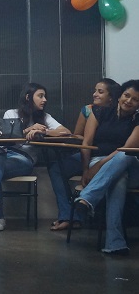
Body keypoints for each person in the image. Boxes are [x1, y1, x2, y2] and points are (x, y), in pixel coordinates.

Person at [0, 83, 71, 232]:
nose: (44, 100)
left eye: (45, 96)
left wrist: (43, 131)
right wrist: (29, 130)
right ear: (28, 97)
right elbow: (6, 136)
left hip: (23, 159)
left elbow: (66, 131)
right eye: (40, 96)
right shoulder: (11, 114)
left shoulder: (45, 117)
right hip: (4, 154)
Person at [73, 80, 139, 255]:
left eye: (135, 99)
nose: (129, 101)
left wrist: (99, 167)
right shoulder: (99, 112)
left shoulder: (137, 120)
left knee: (124, 156)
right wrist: (86, 169)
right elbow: (86, 143)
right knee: (118, 180)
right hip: (101, 164)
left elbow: (125, 149)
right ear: (119, 95)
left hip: (130, 165)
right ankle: (114, 243)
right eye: (126, 95)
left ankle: (87, 198)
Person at [47, 78, 120, 231]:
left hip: (109, 157)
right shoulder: (88, 110)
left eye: (100, 92)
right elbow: (78, 136)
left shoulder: (122, 113)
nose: (95, 94)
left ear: (111, 97)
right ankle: (68, 215)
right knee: (57, 169)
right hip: (87, 154)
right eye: (95, 91)